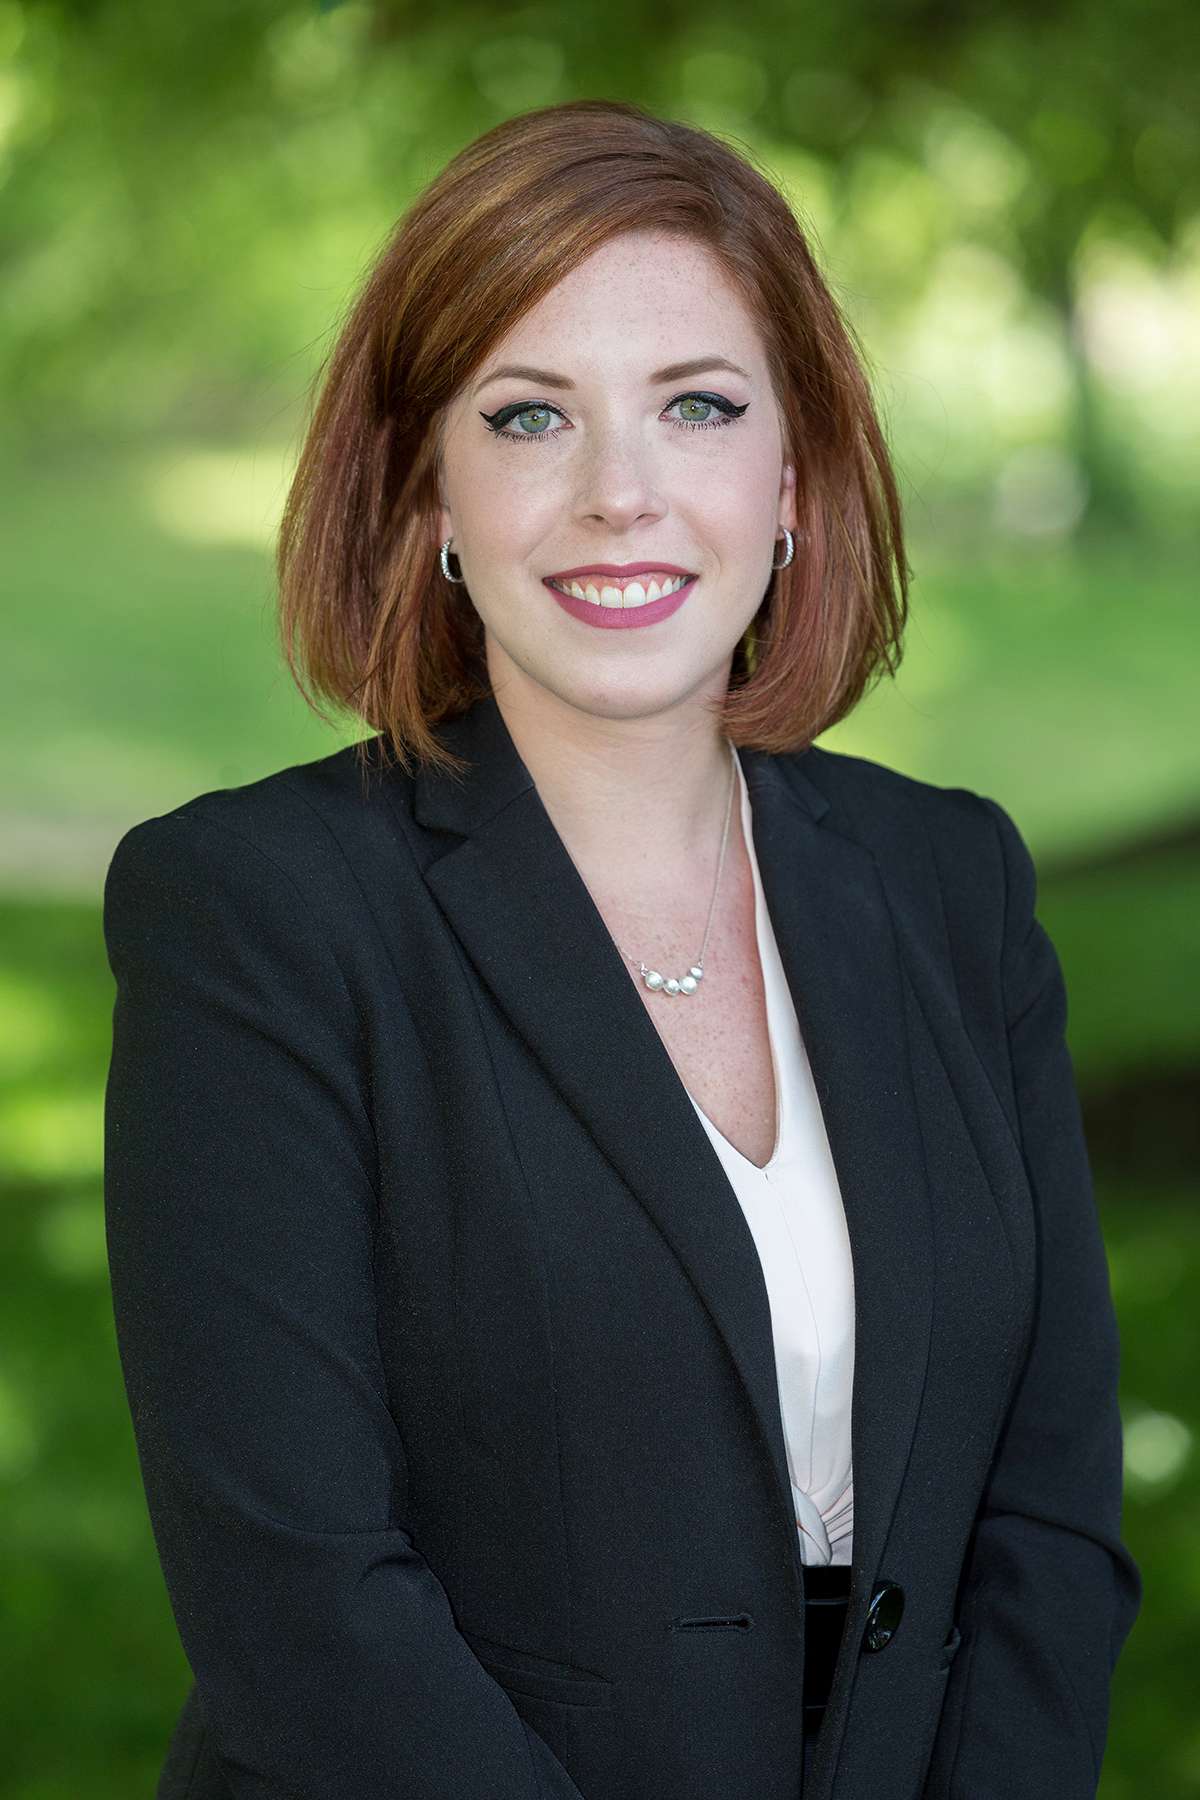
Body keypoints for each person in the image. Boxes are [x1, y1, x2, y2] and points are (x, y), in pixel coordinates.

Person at [102, 99, 1142, 1800]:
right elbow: (298, 1607)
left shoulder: (953, 881)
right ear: (428, 489)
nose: (620, 496)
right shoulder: (257, 913)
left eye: (697, 406)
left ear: (791, 475)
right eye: (530, 416)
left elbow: (1049, 1519)